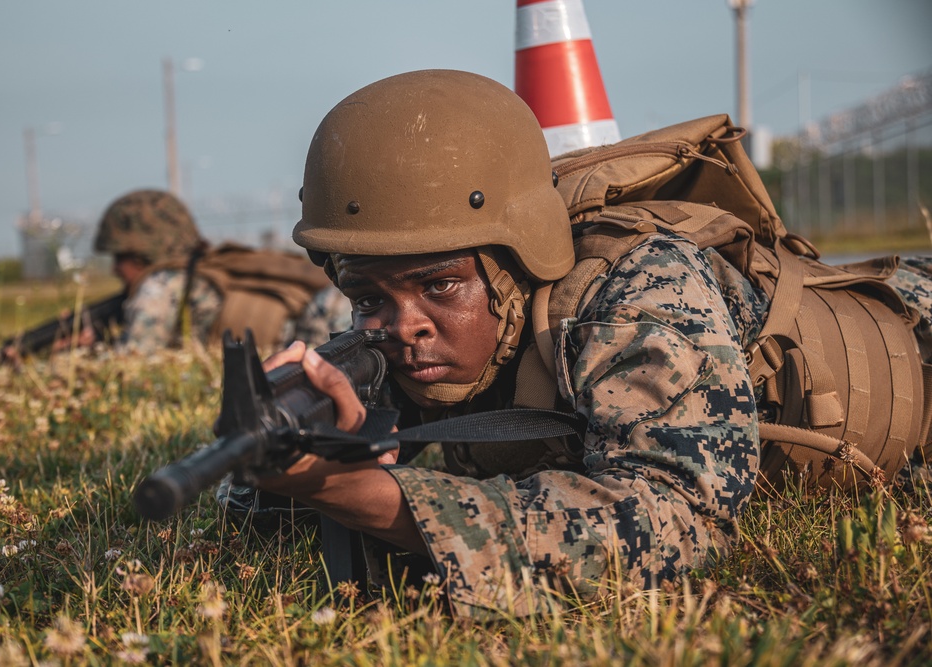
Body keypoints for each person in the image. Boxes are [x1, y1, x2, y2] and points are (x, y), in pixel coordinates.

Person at [223, 69, 932, 618]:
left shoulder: (633, 290)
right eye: (369, 295)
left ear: (517, 262)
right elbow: (261, 502)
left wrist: (374, 495)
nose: (402, 325)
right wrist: (285, 445)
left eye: (440, 286)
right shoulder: (394, 335)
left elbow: (677, 522)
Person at [92, 188, 349, 354]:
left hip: (321, 332)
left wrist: (91, 348)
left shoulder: (161, 285)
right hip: (339, 312)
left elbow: (134, 356)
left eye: (120, 257)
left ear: (142, 254)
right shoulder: (209, 268)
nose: (115, 268)